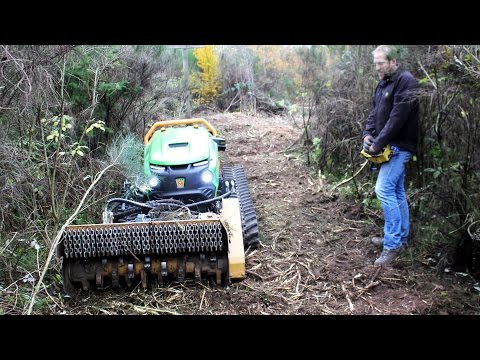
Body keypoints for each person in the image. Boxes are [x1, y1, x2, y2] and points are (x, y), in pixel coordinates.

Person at [362, 45, 419, 266]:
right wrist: (368, 134)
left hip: (399, 147)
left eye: (381, 63)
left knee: (383, 190)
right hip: (387, 146)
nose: (377, 68)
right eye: (375, 63)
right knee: (396, 191)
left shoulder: (406, 81)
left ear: (394, 61)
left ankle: (393, 245)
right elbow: (375, 112)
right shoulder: (384, 82)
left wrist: (377, 144)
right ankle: (400, 238)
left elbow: (397, 118)